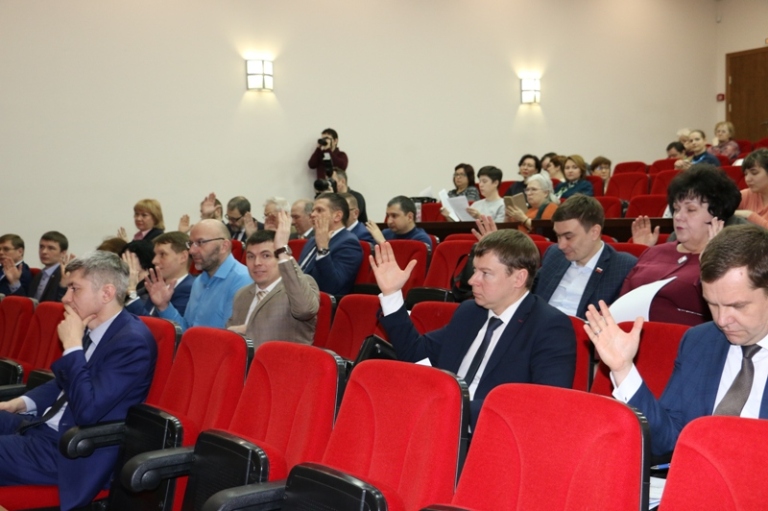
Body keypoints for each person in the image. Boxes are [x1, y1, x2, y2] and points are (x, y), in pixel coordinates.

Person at [585, 224, 768, 456]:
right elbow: (667, 441)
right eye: (712, 304)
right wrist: (624, 370)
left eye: (737, 306)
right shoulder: (699, 342)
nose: (722, 320)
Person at [371, 229, 576, 427]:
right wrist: (392, 294)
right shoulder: (470, 312)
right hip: (440, 426)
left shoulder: (549, 327)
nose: (472, 280)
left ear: (519, 278)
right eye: (475, 270)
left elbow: (544, 404)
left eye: (485, 273)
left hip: (491, 436)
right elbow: (416, 354)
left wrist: (455, 410)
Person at [0, 251, 156, 509]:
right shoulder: (94, 326)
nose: (65, 298)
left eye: (75, 288)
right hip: (43, 429)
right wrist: (19, 403)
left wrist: (72, 346)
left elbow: (87, 411)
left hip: (69, 450)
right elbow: (63, 384)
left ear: (106, 293)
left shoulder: (132, 342)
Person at [622, 165, 741, 326]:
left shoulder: (731, 261)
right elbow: (621, 301)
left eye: (690, 210)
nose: (678, 216)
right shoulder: (653, 252)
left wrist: (712, 257)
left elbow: (724, 313)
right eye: (676, 209)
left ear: (717, 216)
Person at [532, 195, 637, 319]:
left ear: (594, 232)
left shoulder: (622, 267)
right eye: (558, 236)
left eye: (568, 237)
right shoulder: (554, 254)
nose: (561, 245)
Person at [227, 210, 319, 347]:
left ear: (279, 258)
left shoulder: (297, 288)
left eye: (266, 256)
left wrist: (282, 250)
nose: (257, 263)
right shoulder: (242, 294)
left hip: (284, 359)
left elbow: (305, 310)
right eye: (251, 256)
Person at [146, 219, 251, 331]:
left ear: (224, 246)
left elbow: (230, 337)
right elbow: (187, 331)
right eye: (191, 244)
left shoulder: (243, 280)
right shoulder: (199, 281)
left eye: (200, 243)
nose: (192, 251)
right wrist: (163, 306)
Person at [297, 193, 363, 297]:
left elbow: (331, 286)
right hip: (297, 295)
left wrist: (323, 249)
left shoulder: (349, 243)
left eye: (319, 210)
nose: (312, 214)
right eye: (313, 210)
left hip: (319, 301)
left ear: (337, 216)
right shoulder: (312, 240)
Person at [125, 232, 194, 317]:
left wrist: (131, 293)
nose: (154, 261)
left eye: (162, 254)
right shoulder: (159, 285)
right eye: (155, 255)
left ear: (183, 257)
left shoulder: (189, 290)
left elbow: (154, 324)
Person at [365, 196, 433, 250]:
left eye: (394, 216)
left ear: (410, 217)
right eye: (388, 216)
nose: (389, 221)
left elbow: (403, 261)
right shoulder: (385, 234)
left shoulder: (421, 240)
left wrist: (382, 243)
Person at [28, 231, 70, 302]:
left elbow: (60, 304)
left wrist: (63, 286)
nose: (44, 252)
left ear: (63, 253)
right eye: (41, 247)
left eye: (51, 248)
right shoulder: (38, 275)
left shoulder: (65, 276)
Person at [734, 149, 768, 228]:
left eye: (754, 173)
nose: (747, 179)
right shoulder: (745, 195)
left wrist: (750, 215)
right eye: (746, 174)